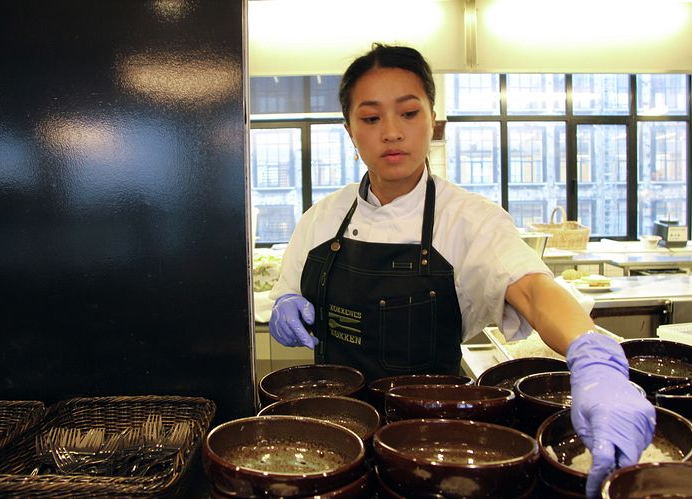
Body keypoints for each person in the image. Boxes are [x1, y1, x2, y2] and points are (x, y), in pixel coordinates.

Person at [268, 43, 655, 498]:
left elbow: (532, 289)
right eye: (371, 119)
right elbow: (288, 289)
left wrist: (594, 357)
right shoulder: (322, 218)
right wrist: (285, 303)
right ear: (350, 132)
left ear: (432, 119)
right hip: (330, 442)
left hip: (434, 444)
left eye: (408, 113)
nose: (391, 132)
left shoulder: (469, 219)